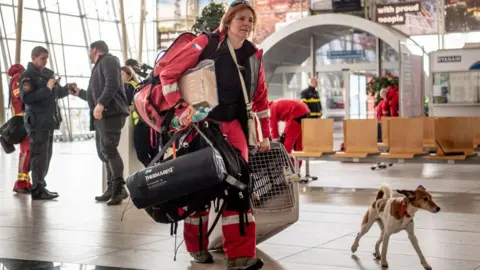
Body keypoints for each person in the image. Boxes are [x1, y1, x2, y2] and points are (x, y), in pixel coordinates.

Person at [159, 0, 270, 268]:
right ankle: (197, 247)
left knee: (239, 185)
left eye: (250, 21)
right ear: (228, 20)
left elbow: (262, 101)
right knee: (201, 185)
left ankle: (241, 254)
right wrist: (182, 108)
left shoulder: (253, 56)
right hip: (203, 126)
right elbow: (169, 73)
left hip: (236, 128)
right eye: (242, 18)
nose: (246, 24)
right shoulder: (206, 44)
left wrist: (265, 135)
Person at [71, 41, 130, 206]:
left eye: (90, 50)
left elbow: (112, 84)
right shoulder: (99, 66)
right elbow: (95, 93)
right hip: (103, 116)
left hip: (111, 114)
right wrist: (80, 93)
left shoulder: (109, 60)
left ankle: (120, 189)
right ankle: (111, 188)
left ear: (95, 49)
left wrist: (102, 103)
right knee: (104, 152)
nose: (89, 53)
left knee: (109, 150)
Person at [19, 46, 76, 200]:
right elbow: (26, 98)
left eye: (46, 58)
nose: (45, 61)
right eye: (43, 58)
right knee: (39, 155)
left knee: (46, 155)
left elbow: (55, 93)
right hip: (37, 121)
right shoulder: (27, 76)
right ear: (34, 58)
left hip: (48, 121)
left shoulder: (47, 74)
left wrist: (67, 89)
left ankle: (40, 185)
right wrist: (47, 88)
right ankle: (37, 189)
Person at [121, 65, 159, 167]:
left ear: (129, 75)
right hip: (152, 123)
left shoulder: (128, 86)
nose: (120, 77)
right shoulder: (138, 85)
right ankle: (157, 171)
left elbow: (128, 105)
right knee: (155, 152)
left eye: (122, 74)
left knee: (142, 154)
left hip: (141, 123)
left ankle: (152, 172)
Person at [6, 64, 32, 193]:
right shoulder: (19, 77)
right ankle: (21, 182)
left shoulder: (16, 77)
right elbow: (20, 95)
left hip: (21, 117)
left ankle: (25, 181)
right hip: (22, 118)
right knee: (26, 150)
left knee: (27, 150)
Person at [269, 99, 310, 166]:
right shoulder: (275, 104)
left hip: (296, 112)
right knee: (298, 143)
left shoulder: (271, 108)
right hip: (305, 110)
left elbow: (273, 125)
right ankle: (297, 166)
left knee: (286, 143)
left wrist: (275, 139)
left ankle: (291, 166)